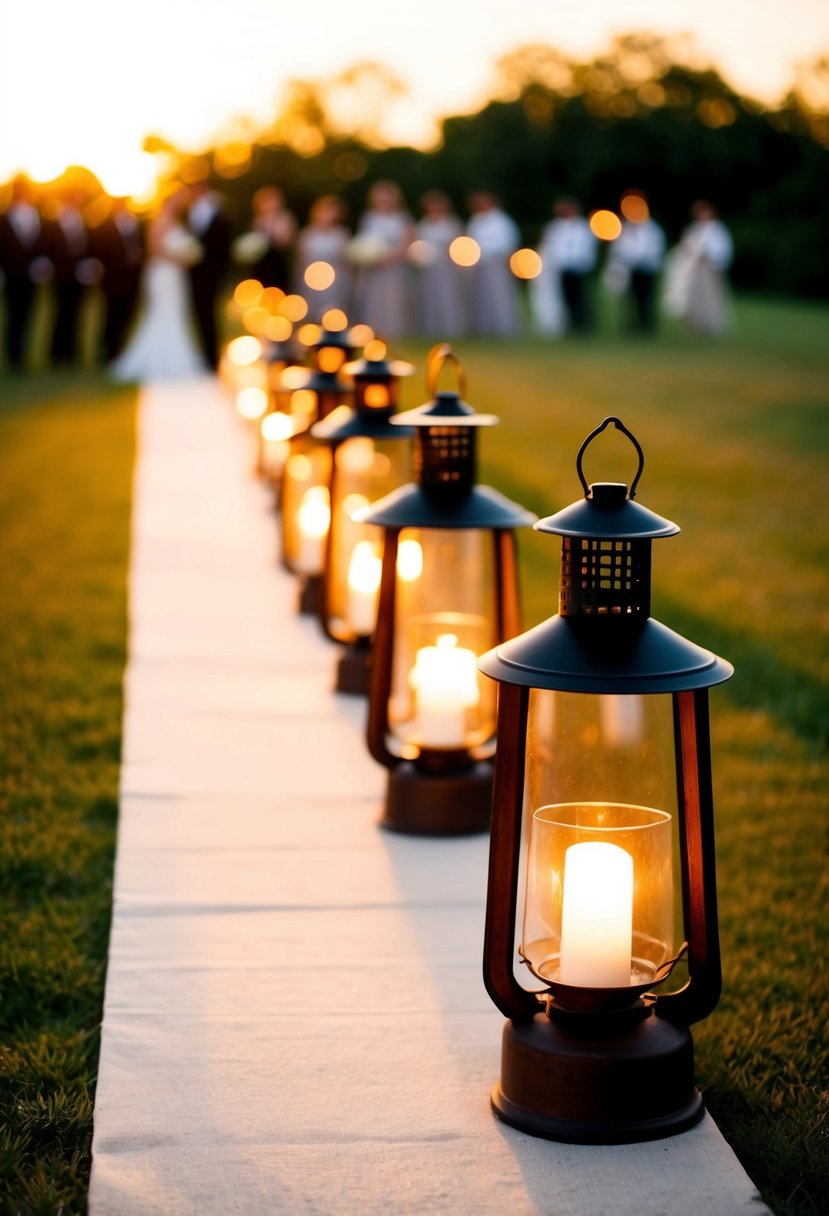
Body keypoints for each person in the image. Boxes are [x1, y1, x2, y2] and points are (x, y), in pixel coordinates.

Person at [109, 188, 206, 382]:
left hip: (176, 276)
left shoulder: (178, 223)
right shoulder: (159, 222)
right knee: (161, 312)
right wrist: (179, 258)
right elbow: (154, 251)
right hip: (163, 274)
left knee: (177, 314)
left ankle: (179, 354)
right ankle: (159, 357)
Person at [351, 180, 414, 337]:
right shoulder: (368, 218)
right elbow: (362, 241)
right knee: (374, 301)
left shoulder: (402, 218)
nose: (384, 201)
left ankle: (397, 332)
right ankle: (373, 332)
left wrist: (387, 258)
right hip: (374, 270)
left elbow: (407, 244)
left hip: (395, 268)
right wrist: (366, 256)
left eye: (387, 198)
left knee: (395, 301)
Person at [663, 200, 733, 336]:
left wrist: (710, 258)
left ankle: (713, 326)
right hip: (693, 271)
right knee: (692, 300)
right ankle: (694, 327)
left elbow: (722, 251)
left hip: (710, 270)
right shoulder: (693, 230)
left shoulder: (717, 230)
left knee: (712, 299)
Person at [45, 186, 97, 366]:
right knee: (60, 314)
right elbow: (49, 248)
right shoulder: (54, 221)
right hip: (60, 277)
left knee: (77, 315)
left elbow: (87, 247)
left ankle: (73, 354)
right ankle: (56, 355)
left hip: (79, 277)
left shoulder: (84, 221)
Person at [603, 192, 666, 333]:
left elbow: (653, 249)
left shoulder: (652, 229)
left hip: (646, 269)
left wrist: (640, 259)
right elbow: (619, 248)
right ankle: (632, 324)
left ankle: (647, 325)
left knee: (646, 298)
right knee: (630, 298)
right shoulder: (626, 229)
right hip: (629, 269)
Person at [0, 176, 46, 370]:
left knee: (29, 315)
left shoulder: (38, 217)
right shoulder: (3, 218)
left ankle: (24, 356)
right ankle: (13, 358)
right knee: (13, 316)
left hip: (32, 276)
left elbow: (43, 245)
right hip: (11, 275)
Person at [186, 179, 231, 369]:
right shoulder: (189, 211)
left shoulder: (219, 210)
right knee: (198, 314)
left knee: (211, 315)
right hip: (194, 275)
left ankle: (213, 358)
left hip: (213, 274)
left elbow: (223, 244)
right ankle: (204, 355)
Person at [94, 196, 144, 361]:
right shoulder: (105, 226)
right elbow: (101, 253)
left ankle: (121, 349)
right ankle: (107, 351)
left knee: (127, 316)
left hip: (131, 280)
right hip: (112, 281)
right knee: (110, 316)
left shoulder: (136, 224)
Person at [412, 190, 467, 337]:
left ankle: (451, 327)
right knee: (429, 297)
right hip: (428, 268)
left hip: (447, 267)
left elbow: (459, 244)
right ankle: (430, 328)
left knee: (448, 296)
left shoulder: (452, 224)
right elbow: (416, 245)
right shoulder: (423, 224)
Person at [466, 191, 522, 337]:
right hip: (479, 264)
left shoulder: (502, 221)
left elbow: (507, 243)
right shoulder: (476, 220)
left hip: (497, 263)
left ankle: (505, 327)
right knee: (482, 297)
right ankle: (484, 328)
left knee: (500, 295)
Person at [540, 198, 597, 333]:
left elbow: (586, 247)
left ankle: (583, 324)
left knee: (580, 297)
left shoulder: (582, 227)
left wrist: (582, 262)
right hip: (560, 267)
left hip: (578, 267)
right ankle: (568, 324)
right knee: (564, 297)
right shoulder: (554, 227)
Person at [294, 195, 352, 320]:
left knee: (334, 310)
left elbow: (347, 260)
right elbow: (301, 261)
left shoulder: (342, 234)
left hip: (336, 282)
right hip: (312, 280)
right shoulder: (307, 235)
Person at [246, 185, 296, 292]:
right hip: (262, 264)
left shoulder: (285, 218)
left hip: (278, 263)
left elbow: (287, 242)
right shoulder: (258, 221)